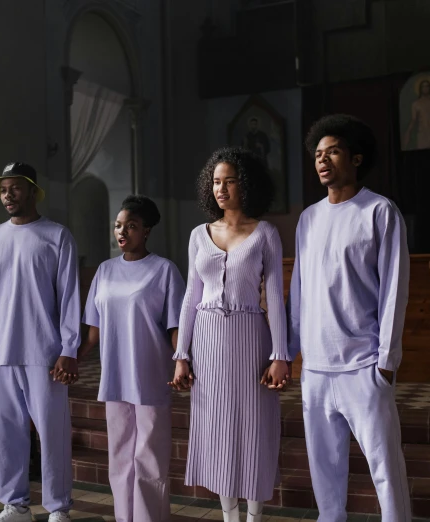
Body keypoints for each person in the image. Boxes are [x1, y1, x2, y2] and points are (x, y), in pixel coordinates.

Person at [288, 114, 411, 522]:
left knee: (386, 475)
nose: (322, 161)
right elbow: (299, 292)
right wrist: (290, 352)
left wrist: (386, 363)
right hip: (317, 370)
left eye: (333, 151)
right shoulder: (308, 219)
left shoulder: (379, 212)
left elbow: (395, 288)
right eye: (318, 154)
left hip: (363, 367)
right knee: (325, 480)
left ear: (356, 158)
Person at [170, 147, 291, 522]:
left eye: (230, 181)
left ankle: (254, 517)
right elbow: (191, 296)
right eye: (216, 182)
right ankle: (228, 516)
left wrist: (281, 355)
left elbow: (274, 297)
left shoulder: (265, 233)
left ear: (247, 184)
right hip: (206, 343)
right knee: (216, 428)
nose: (221, 188)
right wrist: (181, 355)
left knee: (254, 428)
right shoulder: (198, 235)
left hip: (252, 339)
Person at [0, 162, 80, 522]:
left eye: (14, 188)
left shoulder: (57, 236)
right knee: (7, 433)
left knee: (52, 433)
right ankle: (15, 504)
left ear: (31, 190)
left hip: (44, 352)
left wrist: (68, 349)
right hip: (0, 350)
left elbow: (70, 297)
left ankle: (58, 507)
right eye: (3, 190)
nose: (7, 195)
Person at [71, 195, 185, 522]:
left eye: (131, 226)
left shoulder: (164, 271)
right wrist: (73, 360)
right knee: (120, 459)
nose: (122, 232)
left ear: (146, 231)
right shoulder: (105, 271)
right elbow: (93, 332)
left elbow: (174, 325)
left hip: (151, 375)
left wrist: (181, 360)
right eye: (119, 226)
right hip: (115, 379)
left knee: (149, 460)